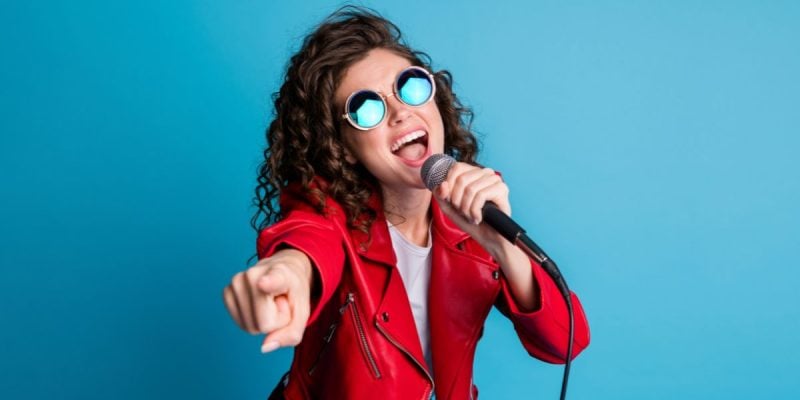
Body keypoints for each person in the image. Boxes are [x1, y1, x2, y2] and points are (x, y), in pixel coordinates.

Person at [223, 6, 590, 399]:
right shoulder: (326, 210)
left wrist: (501, 246)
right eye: (367, 109)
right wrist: (290, 272)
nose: (400, 112)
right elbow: (308, 241)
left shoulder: (475, 205)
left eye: (410, 86)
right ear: (343, 147)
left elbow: (564, 341)